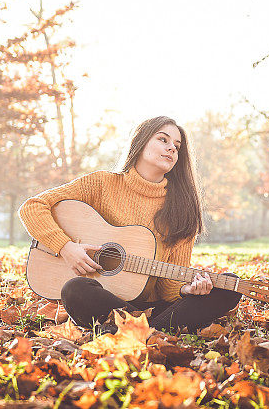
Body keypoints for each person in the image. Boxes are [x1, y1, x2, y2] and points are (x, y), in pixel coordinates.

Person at [17, 116, 241, 335]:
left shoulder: (183, 207)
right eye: (163, 139)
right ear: (141, 142)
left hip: (152, 309)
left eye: (177, 145)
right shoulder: (101, 183)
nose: (172, 148)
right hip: (105, 301)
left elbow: (167, 288)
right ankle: (154, 332)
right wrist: (66, 248)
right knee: (75, 290)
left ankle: (139, 330)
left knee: (228, 287)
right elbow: (32, 207)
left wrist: (186, 289)